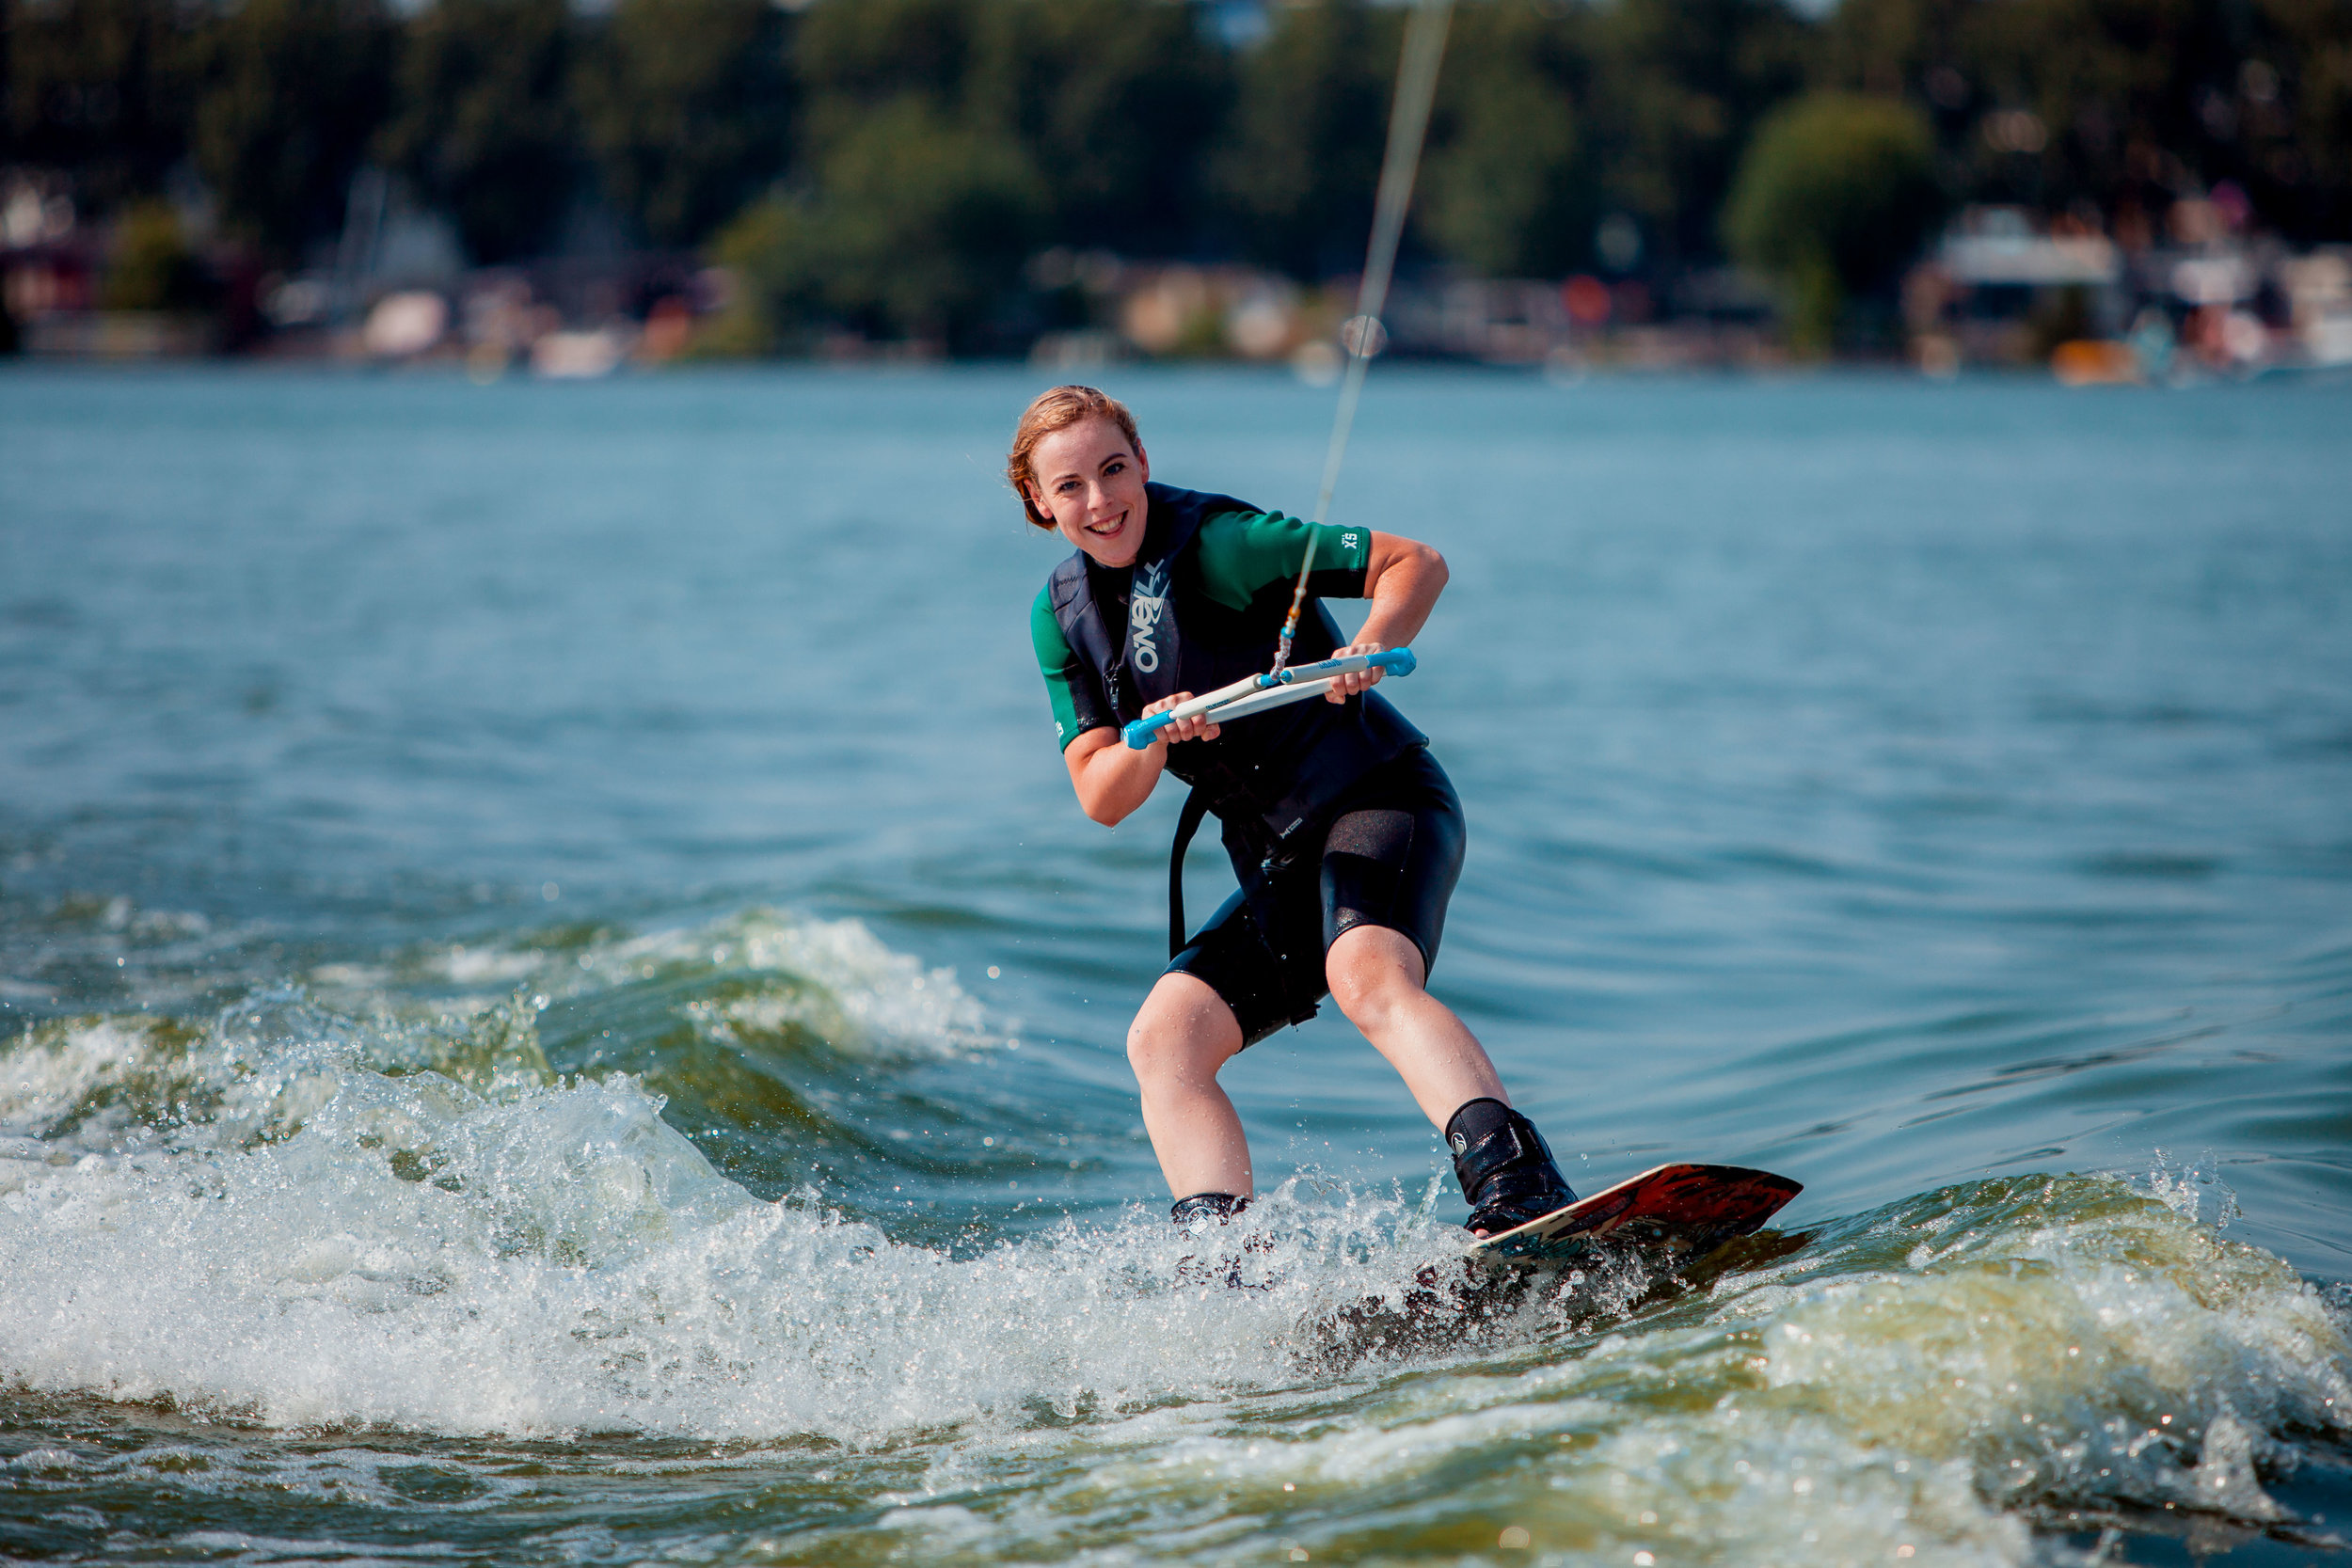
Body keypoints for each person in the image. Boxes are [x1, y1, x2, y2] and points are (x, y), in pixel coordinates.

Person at [1012, 385, 1578, 1237]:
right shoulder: (1061, 618)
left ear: (1143, 462)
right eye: (1070, 486)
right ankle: (1223, 1267)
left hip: (1381, 797)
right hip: (1280, 857)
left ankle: (1520, 1188)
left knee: (1365, 973)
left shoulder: (1226, 544)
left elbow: (1416, 562)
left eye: (1115, 469)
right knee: (1165, 1039)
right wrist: (1153, 739)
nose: (1100, 500)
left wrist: (1369, 644)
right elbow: (1101, 794)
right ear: (1038, 501)